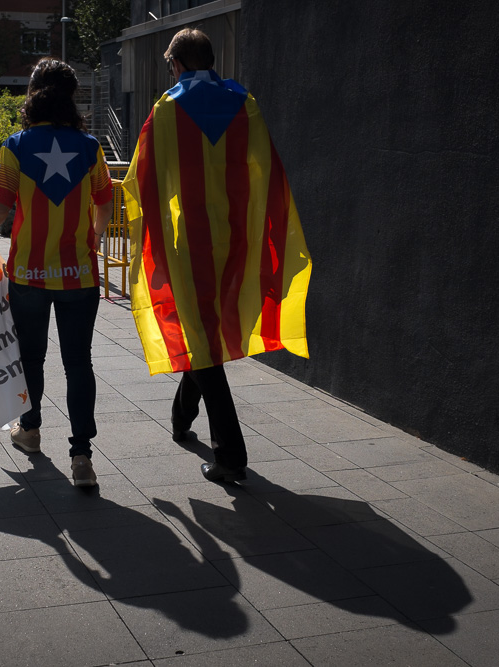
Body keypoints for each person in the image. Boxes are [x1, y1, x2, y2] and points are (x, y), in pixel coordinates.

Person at [122, 28, 312, 483]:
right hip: (237, 241)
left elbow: (141, 181)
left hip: (188, 245)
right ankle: (181, 419)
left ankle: (231, 456)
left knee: (202, 339)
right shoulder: (245, 103)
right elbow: (268, 171)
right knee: (204, 332)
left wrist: (146, 239)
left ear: (179, 65)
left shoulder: (166, 110)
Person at [0, 57, 113, 487]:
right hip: (79, 276)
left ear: (33, 95)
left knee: (31, 357)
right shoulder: (90, 147)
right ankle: (82, 456)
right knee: (79, 363)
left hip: (29, 274)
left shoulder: (15, 146)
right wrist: (95, 238)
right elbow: (106, 199)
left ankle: (30, 431)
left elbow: (2, 204)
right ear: (71, 98)